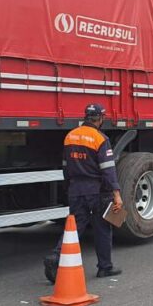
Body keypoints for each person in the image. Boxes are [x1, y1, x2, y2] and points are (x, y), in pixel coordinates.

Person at [44, 103, 124, 282]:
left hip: (76, 190)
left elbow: (65, 167)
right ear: (100, 119)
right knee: (102, 228)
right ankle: (105, 267)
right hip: (97, 191)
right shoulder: (100, 138)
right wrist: (116, 194)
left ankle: (55, 257)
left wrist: (69, 187)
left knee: (75, 228)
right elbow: (108, 170)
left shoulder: (70, 136)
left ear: (86, 117)